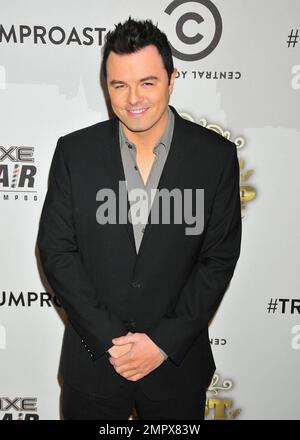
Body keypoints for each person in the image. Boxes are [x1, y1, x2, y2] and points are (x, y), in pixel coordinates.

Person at [37, 17, 242, 420]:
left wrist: (161, 343)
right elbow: (57, 250)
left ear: (171, 78)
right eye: (119, 85)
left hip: (176, 368)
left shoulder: (215, 156)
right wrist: (114, 341)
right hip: (94, 365)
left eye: (147, 82)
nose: (133, 98)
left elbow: (218, 260)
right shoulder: (74, 153)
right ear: (106, 85)